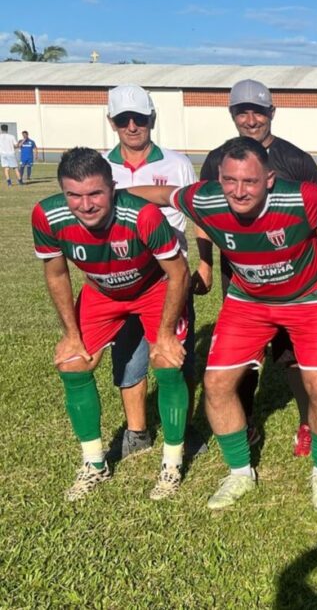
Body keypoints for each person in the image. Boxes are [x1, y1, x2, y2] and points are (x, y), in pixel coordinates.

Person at [130, 136, 317, 509]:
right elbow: (164, 195)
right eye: (230, 180)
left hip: (310, 296)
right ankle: (240, 472)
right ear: (218, 178)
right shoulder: (205, 198)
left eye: (249, 181)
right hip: (249, 300)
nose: (239, 191)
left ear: (270, 179)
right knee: (216, 384)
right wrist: (111, 194)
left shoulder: (303, 198)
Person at [32, 147, 191, 501]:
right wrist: (71, 336)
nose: (85, 205)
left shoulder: (142, 215)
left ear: (113, 187)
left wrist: (164, 335)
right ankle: (94, 464)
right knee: (72, 363)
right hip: (101, 292)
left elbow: (178, 272)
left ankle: (172, 463)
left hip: (154, 288)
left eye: (95, 194)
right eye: (74, 195)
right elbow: (56, 274)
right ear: (62, 192)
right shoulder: (48, 215)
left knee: (167, 362)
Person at [198, 79, 317, 455]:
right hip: (241, 272)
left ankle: (306, 423)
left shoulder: (295, 160)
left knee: (294, 357)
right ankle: (245, 422)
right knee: (242, 357)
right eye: (242, 112)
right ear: (232, 114)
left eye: (259, 111)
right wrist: (204, 264)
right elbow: (204, 216)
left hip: (293, 276)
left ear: (272, 112)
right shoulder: (217, 160)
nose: (251, 119)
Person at [104, 85, 198, 461]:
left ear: (152, 119)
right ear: (111, 122)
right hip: (121, 280)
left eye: (139, 119)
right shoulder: (100, 167)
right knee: (128, 357)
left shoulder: (177, 163)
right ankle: (137, 431)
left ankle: (182, 430)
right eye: (123, 119)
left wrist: (204, 261)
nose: (132, 126)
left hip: (169, 277)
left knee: (177, 355)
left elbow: (198, 214)